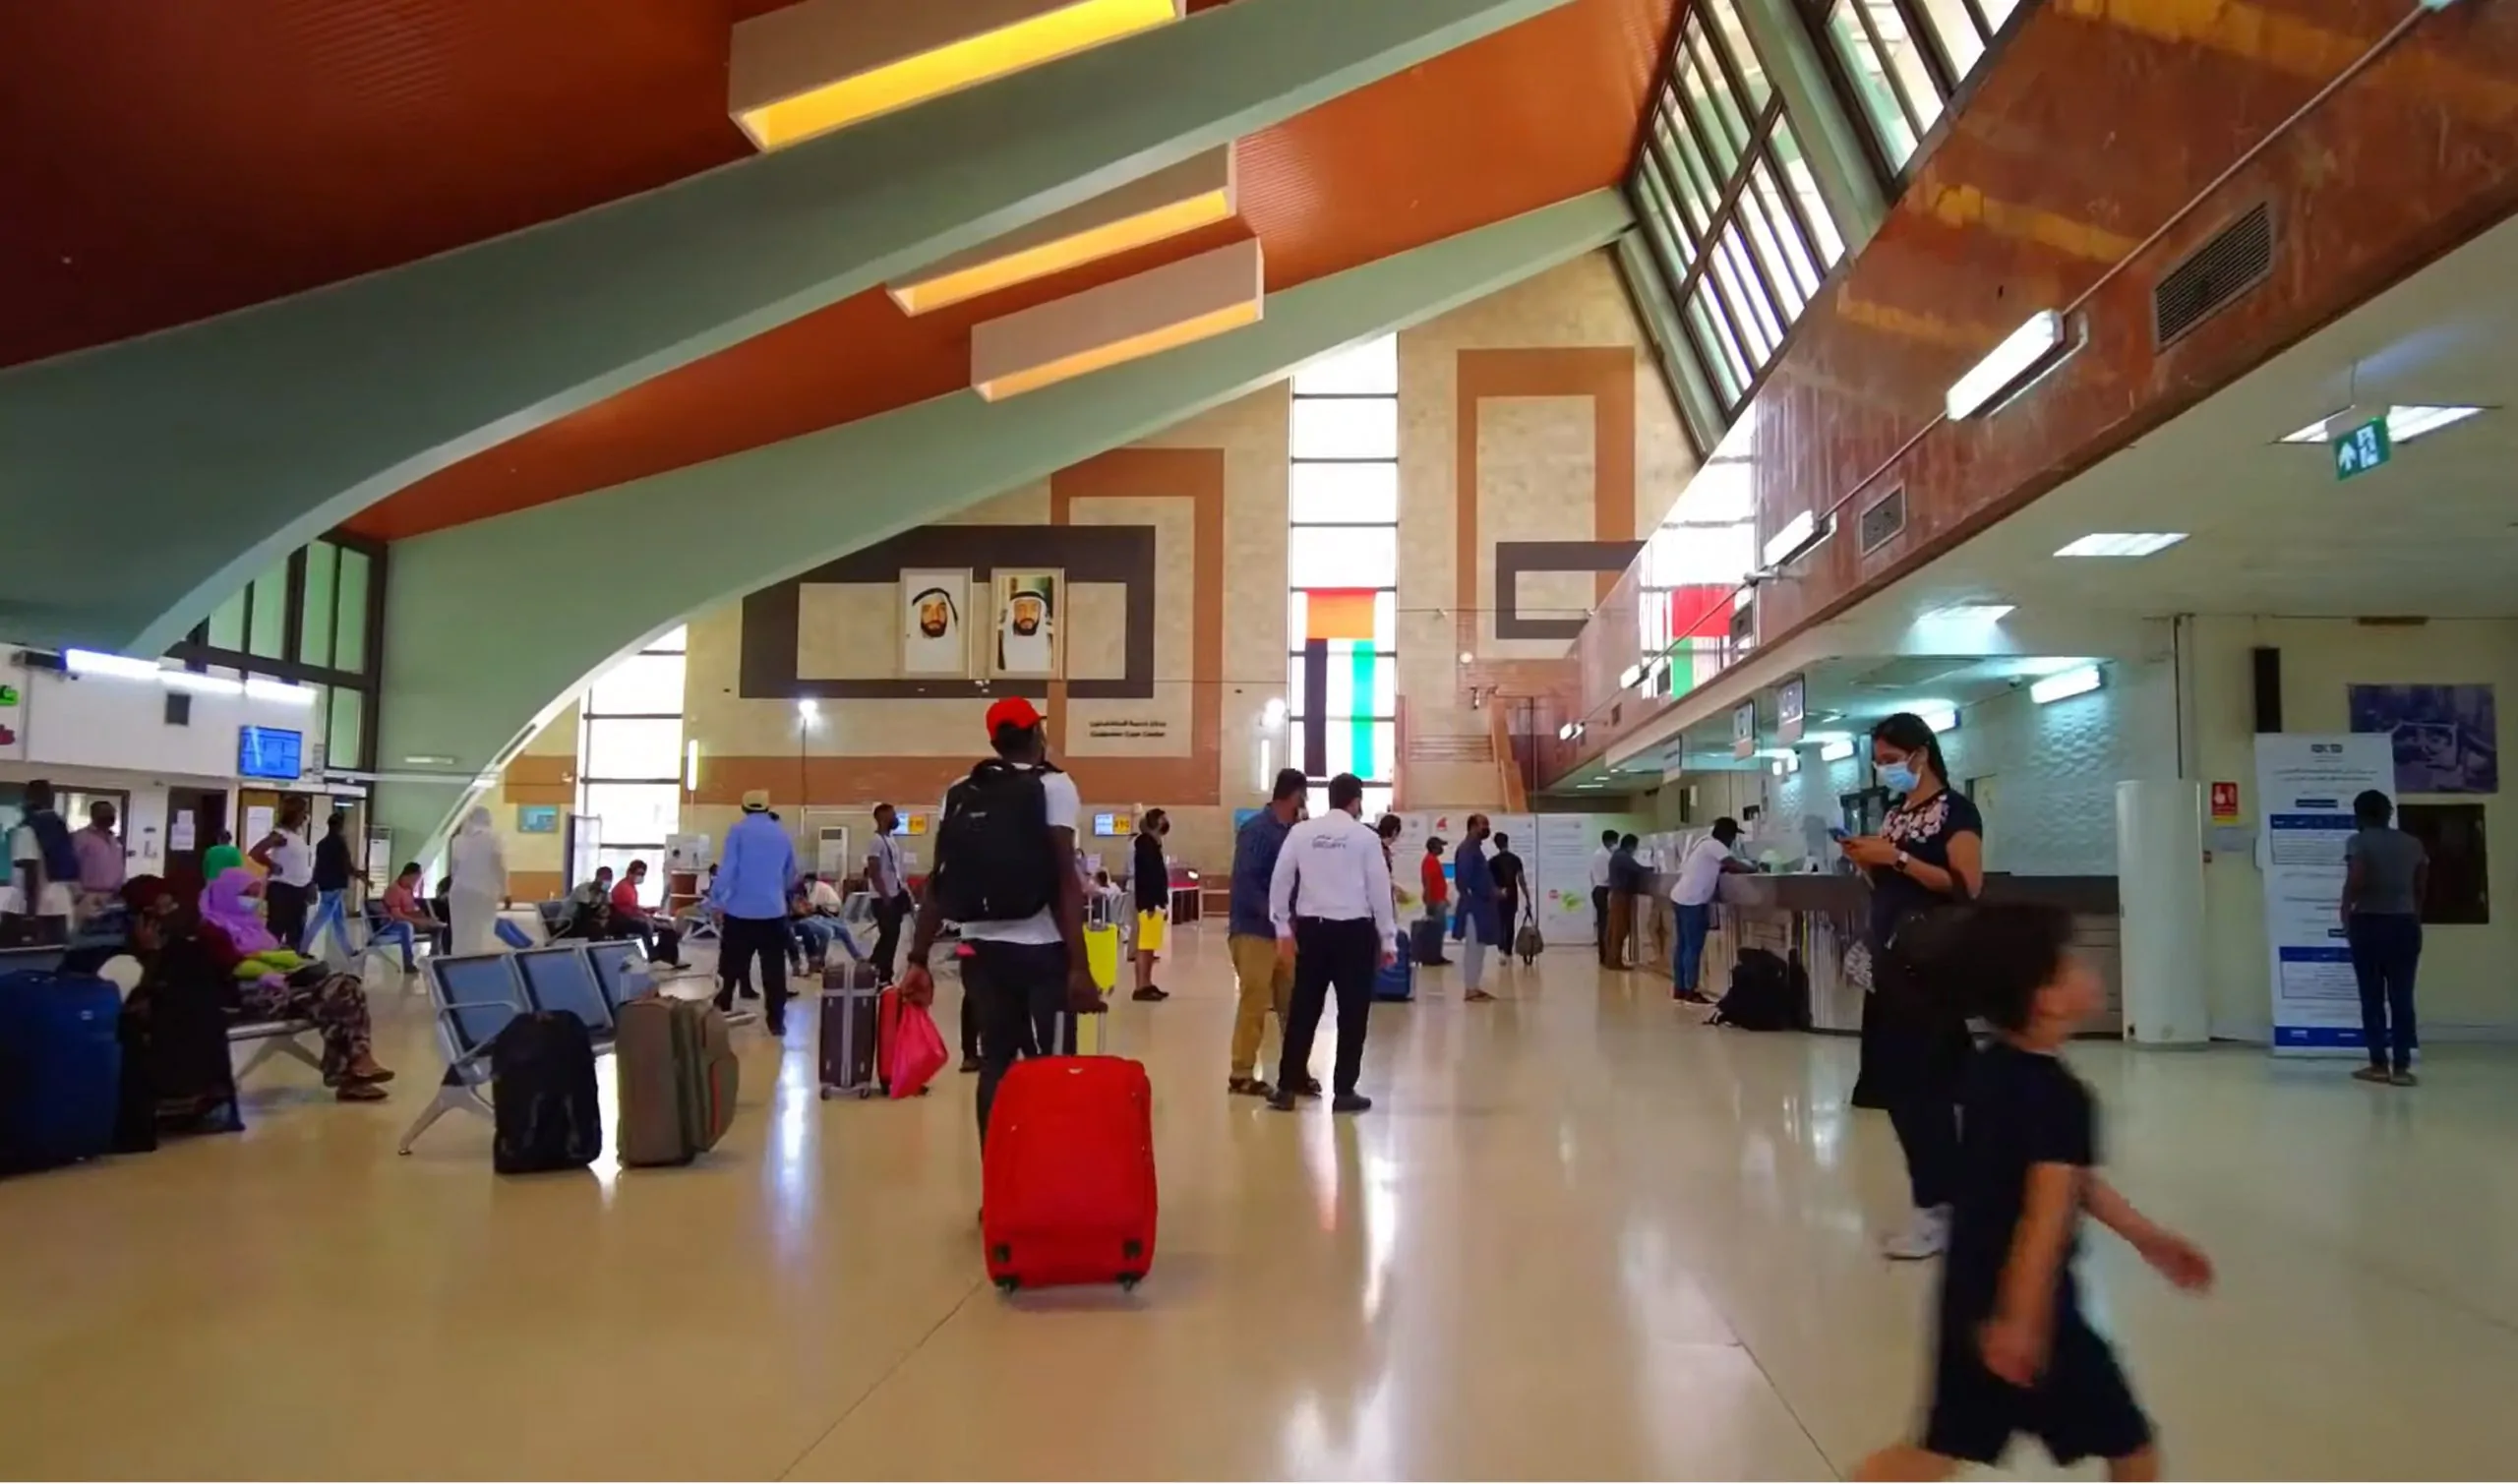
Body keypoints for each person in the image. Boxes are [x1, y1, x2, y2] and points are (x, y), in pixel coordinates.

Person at [1853, 902, 2211, 1482]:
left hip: (1969, 1296)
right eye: (2069, 964)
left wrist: (2146, 1237)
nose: (2084, 970)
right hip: (2036, 1314)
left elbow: (2067, 1182)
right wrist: (2023, 1321)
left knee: (1934, 1451)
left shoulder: (1992, 1069)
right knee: (2133, 1448)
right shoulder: (2061, 1098)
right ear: (2043, 996)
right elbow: (2045, 1217)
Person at [895, 696, 1101, 1144]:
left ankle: (1000, 1188)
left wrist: (918, 958)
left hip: (979, 950)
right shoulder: (1055, 787)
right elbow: (1066, 878)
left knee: (996, 1064)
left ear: (993, 741)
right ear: (1037, 736)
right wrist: (1080, 966)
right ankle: (1052, 1181)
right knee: (1056, 1064)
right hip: (1042, 948)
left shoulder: (961, 790)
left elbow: (939, 880)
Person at [1841, 711, 1985, 1261]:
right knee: (1912, 1090)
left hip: (1930, 970)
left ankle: (1939, 1207)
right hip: (1892, 966)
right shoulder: (1898, 813)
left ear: (1919, 754)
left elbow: (1966, 886)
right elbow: (1895, 879)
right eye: (1877, 762)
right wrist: (1870, 862)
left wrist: (1896, 858)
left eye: (1888, 760)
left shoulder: (1956, 812)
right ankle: (1949, 1202)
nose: (1884, 771)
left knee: (1920, 1091)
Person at [199, 866, 393, 1099]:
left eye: (254, 894)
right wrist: (265, 968)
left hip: (286, 987)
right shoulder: (212, 930)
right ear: (227, 894)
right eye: (245, 893)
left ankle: (357, 1066)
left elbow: (280, 954)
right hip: (249, 995)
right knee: (339, 997)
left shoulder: (254, 925)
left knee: (348, 987)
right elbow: (229, 966)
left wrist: (290, 965)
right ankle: (352, 1071)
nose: (251, 900)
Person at [1266, 773, 1398, 1115]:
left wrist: (1281, 925)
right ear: (1355, 801)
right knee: (1353, 1013)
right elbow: (1379, 891)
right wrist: (1388, 938)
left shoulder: (1301, 832)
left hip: (1312, 931)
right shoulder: (1365, 838)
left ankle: (1286, 1087)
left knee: (1303, 1009)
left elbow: (1280, 879)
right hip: (1355, 933)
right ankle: (1344, 1091)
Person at [1226, 769, 1307, 1098]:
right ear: (1295, 796)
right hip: (1254, 932)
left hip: (1283, 933)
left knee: (1293, 1004)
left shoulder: (1292, 833)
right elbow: (1246, 883)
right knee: (1255, 1001)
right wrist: (1278, 919)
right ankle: (1241, 1073)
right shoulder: (1257, 831)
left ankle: (1294, 1071)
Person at [2341, 789, 2427, 1087]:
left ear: (2360, 815)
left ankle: (2378, 1064)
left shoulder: (2358, 842)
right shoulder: (2413, 844)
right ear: (2388, 813)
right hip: (2404, 924)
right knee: (2402, 997)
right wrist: (2413, 915)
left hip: (2369, 923)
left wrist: (2345, 911)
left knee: (2372, 996)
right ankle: (2402, 1068)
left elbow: (2357, 877)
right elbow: (2419, 886)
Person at [711, 790, 800, 1035]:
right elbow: (792, 872)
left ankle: (723, 1006)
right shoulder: (782, 833)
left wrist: (716, 899)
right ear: (767, 807)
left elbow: (728, 869)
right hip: (773, 912)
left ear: (744, 807)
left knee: (730, 963)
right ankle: (776, 1021)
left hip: (740, 912)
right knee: (774, 969)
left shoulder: (737, 831)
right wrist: (777, 892)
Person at [1671, 816, 1754, 1004]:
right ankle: (1690, 991)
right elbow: (1733, 864)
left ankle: (1679, 988)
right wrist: (1753, 867)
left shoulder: (1704, 844)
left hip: (1680, 897)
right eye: (1733, 836)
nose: (1733, 840)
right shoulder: (1716, 846)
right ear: (1727, 835)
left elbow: (1723, 867)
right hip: (1693, 901)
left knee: (1682, 946)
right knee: (1693, 947)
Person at [7, 779, 78, 946]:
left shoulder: (27, 828)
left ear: (28, 799)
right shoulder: (61, 826)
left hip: (33, 907)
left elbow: (29, 869)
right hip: (61, 904)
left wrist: (30, 914)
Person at [248, 798, 316, 949]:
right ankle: (269, 962)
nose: (305, 817)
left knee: (296, 932)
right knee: (276, 931)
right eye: (303, 812)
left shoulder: (297, 835)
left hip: (300, 889)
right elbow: (255, 852)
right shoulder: (280, 834)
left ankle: (291, 962)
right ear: (295, 813)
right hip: (283, 889)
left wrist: (310, 885)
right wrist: (271, 865)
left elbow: (302, 864)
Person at [300, 808, 367, 961]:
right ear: (340, 825)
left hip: (325, 886)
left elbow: (319, 866)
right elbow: (346, 866)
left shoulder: (322, 844)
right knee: (320, 919)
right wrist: (360, 875)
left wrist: (314, 882)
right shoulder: (340, 843)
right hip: (335, 886)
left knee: (339, 921)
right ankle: (302, 948)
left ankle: (348, 951)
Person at [1451, 816, 1500, 1003]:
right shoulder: (1467, 850)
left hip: (1480, 905)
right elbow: (1464, 878)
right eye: (1483, 824)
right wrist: (1482, 892)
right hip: (1474, 906)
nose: (1486, 828)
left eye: (1488, 824)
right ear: (1472, 827)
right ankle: (1470, 989)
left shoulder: (1475, 849)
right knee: (1473, 948)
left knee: (1479, 948)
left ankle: (1474, 986)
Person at [447, 805, 508, 957]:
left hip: (458, 892)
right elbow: (498, 864)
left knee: (460, 932)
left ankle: (457, 963)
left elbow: (454, 870)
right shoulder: (493, 837)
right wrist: (505, 890)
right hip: (482, 891)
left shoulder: (458, 840)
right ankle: (475, 964)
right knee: (481, 932)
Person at [865, 802, 912, 983]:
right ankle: (880, 971)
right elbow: (874, 870)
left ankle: (880, 969)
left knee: (892, 937)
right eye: (892, 815)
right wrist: (885, 896)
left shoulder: (890, 840)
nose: (895, 818)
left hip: (896, 893)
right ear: (882, 817)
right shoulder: (876, 841)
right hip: (883, 897)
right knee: (888, 935)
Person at [610, 860, 688, 968]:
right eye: (639, 874)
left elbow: (632, 907)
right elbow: (629, 910)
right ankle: (656, 955)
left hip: (632, 917)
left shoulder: (630, 887)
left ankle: (666, 956)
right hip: (625, 920)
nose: (640, 877)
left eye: (642, 874)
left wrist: (648, 910)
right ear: (630, 872)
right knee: (657, 926)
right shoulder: (623, 888)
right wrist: (646, 916)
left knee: (667, 925)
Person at [1129, 808, 1171, 1002]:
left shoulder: (1154, 844)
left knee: (1150, 945)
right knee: (1144, 946)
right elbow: (1147, 876)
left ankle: (1147, 983)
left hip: (1154, 902)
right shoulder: (1145, 844)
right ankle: (1140, 986)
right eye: (1162, 819)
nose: (1166, 822)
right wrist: (1150, 903)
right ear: (1154, 822)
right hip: (1148, 904)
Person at [376, 862, 435, 973]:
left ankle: (434, 958)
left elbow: (409, 911)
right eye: (415, 879)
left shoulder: (408, 889)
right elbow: (397, 915)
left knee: (436, 927)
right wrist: (417, 921)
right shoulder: (394, 889)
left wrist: (424, 918)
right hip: (390, 924)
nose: (416, 882)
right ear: (408, 875)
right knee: (406, 927)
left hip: (406, 920)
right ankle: (408, 963)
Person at [73, 799, 128, 916]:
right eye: (104, 813)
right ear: (93, 815)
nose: (109, 816)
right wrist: (78, 894)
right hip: (88, 895)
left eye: (111, 813)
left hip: (113, 896)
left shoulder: (115, 840)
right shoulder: (81, 837)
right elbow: (71, 865)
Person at [1602, 833, 1645, 968]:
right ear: (1631, 846)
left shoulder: (1617, 856)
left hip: (1617, 895)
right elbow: (1638, 869)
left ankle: (1612, 959)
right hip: (1621, 896)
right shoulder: (1623, 857)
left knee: (1614, 928)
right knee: (1619, 929)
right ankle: (1615, 961)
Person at [1489, 830, 1527, 942]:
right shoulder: (1515, 859)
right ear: (1507, 842)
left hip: (1497, 895)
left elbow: (1489, 881)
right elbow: (1521, 880)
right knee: (1510, 923)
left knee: (1499, 924)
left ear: (1496, 844)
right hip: (1512, 894)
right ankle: (1508, 952)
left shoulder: (1492, 861)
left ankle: (1501, 950)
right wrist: (1527, 896)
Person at [1589, 827, 1619, 952]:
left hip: (1598, 889)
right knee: (1605, 923)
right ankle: (1605, 952)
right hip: (1603, 890)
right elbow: (1607, 876)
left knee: (1603, 922)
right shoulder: (1602, 855)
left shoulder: (1599, 853)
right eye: (1615, 842)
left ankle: (1604, 952)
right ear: (1609, 841)